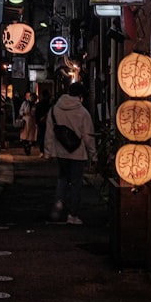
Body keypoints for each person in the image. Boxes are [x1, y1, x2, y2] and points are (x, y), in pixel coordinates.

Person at [44, 82, 96, 225]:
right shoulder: (83, 112)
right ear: (80, 96)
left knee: (62, 179)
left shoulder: (55, 109)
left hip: (61, 152)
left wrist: (48, 152)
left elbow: (49, 133)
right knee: (76, 183)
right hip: (78, 153)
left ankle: (58, 208)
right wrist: (94, 155)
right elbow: (88, 136)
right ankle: (72, 214)